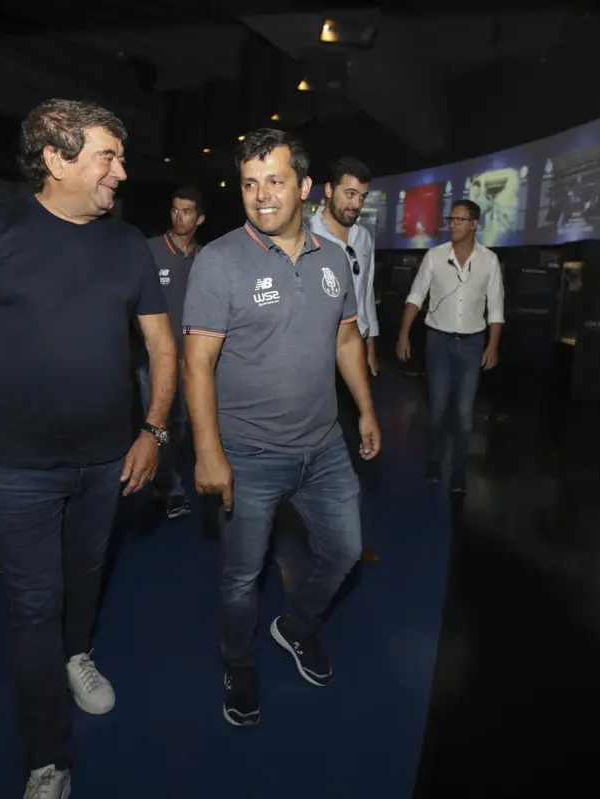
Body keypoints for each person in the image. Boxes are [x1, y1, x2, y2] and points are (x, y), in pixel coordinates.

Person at [0, 99, 176, 798]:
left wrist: (153, 431)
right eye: (107, 157)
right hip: (15, 466)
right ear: (56, 159)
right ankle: (47, 757)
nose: (121, 172)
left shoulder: (128, 245)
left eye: (120, 157)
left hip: (108, 460)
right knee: (34, 603)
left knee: (86, 575)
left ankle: (78, 652)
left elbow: (160, 343)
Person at [182, 128, 381, 729]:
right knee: (241, 577)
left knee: (345, 551)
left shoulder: (334, 260)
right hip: (248, 453)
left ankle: (295, 627)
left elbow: (347, 337)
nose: (261, 195)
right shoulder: (219, 261)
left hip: (323, 447)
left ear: (305, 187)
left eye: (274, 180)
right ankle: (239, 663)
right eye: (249, 183)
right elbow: (197, 362)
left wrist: (366, 409)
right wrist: (208, 452)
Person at [395, 199, 504, 494]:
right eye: (451, 219)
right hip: (438, 343)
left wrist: (492, 346)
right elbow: (416, 296)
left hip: (472, 345)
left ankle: (458, 472)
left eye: (459, 220)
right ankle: (433, 461)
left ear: (474, 225)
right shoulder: (434, 255)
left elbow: (495, 309)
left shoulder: (489, 261)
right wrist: (404, 333)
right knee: (438, 409)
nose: (452, 224)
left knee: (464, 415)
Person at [309, 156, 382, 563]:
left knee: (354, 441)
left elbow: (366, 293)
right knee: (315, 440)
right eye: (350, 193)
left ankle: (343, 539)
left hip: (351, 352)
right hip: (314, 354)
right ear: (329, 190)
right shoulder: (306, 234)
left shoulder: (365, 238)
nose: (355, 204)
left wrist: (370, 344)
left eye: (362, 197)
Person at [137, 185, 205, 520]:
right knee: (154, 422)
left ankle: (161, 479)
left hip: (188, 361)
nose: (179, 217)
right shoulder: (148, 251)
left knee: (178, 424)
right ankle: (169, 487)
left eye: (187, 211)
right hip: (150, 360)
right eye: (175, 210)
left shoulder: (205, 259)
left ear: (200, 218)